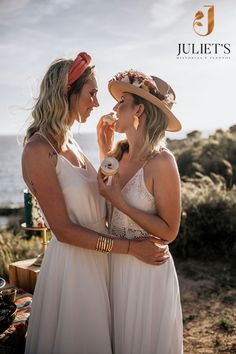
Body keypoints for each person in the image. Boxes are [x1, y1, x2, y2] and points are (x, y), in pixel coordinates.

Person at [22, 54, 167, 354]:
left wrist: (104, 149)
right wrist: (131, 248)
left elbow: (100, 198)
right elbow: (63, 230)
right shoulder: (39, 149)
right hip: (73, 270)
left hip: (99, 263)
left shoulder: (70, 142)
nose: (97, 102)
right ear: (66, 93)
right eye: (91, 93)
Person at [97, 69, 183, 354]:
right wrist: (102, 148)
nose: (114, 108)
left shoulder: (161, 161)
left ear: (139, 110)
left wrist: (121, 201)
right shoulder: (118, 154)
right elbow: (107, 203)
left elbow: (170, 231)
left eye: (122, 102)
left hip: (148, 274)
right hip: (115, 266)